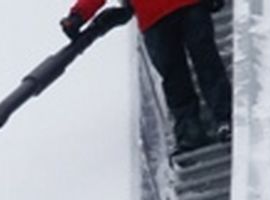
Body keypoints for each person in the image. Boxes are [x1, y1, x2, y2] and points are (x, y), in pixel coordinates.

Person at [60, 0, 231, 153]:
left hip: (156, 17)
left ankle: (191, 132)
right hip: (180, 10)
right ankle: (223, 120)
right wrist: (78, 15)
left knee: (175, 77)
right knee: (205, 64)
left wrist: (77, 17)